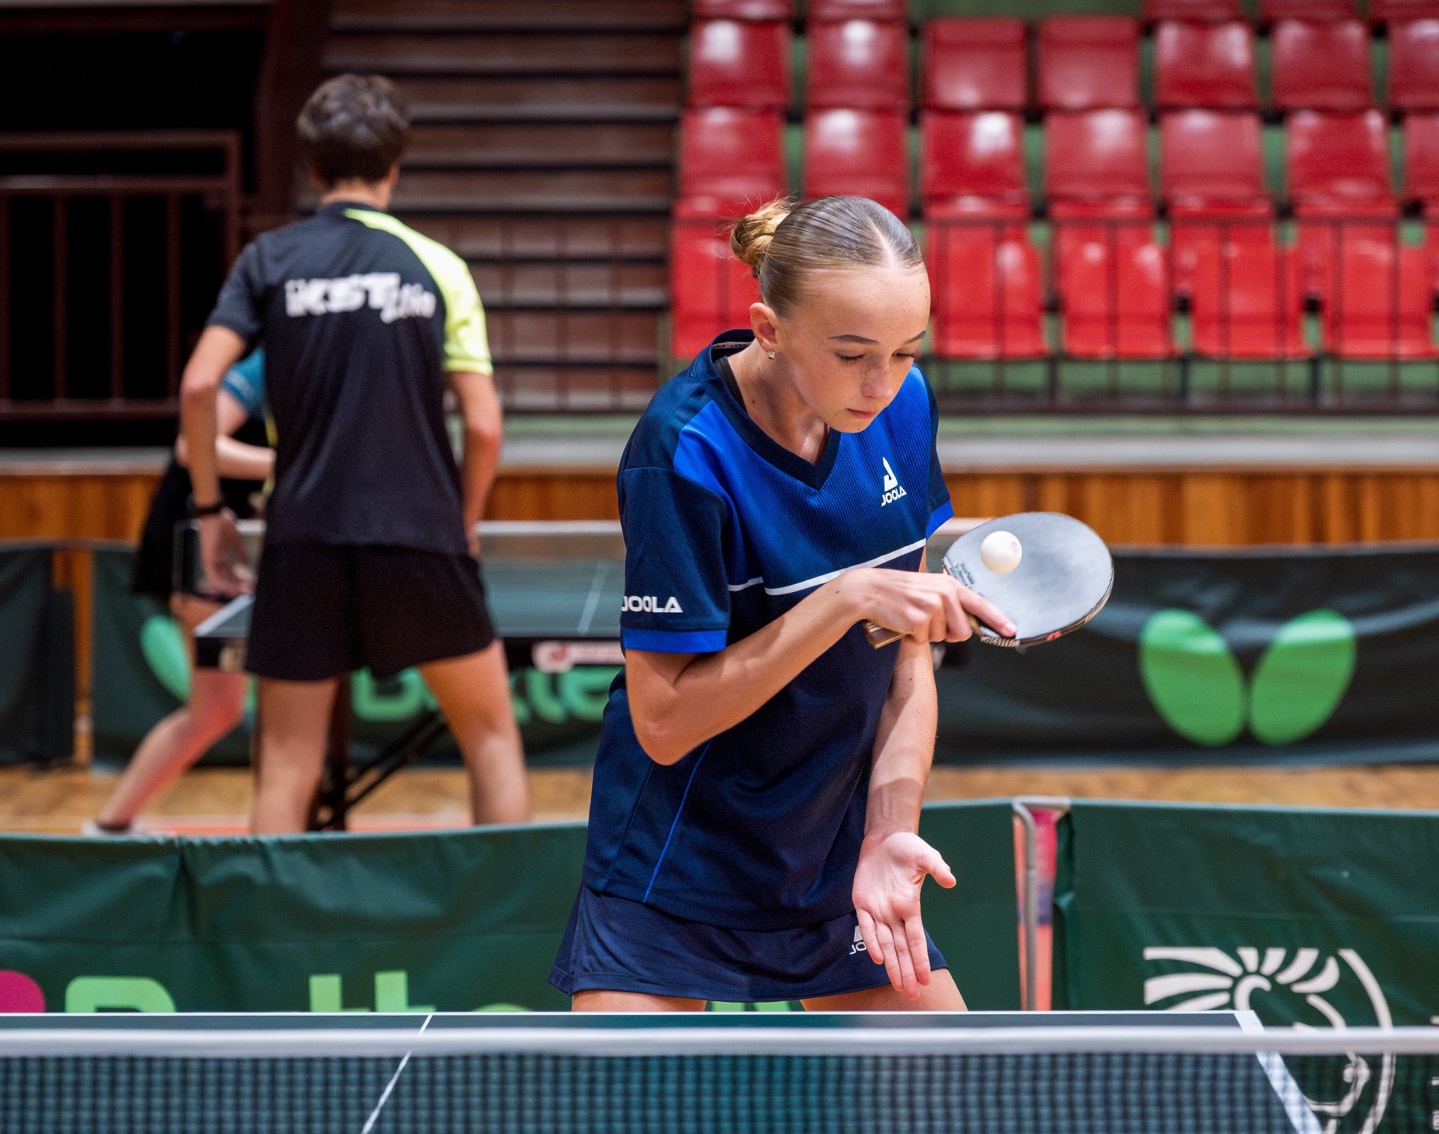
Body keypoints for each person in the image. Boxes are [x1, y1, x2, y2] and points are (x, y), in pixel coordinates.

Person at [552, 196, 1011, 1014]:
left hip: (834, 851)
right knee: (628, 1107)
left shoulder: (903, 407)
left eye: (906, 351)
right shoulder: (686, 450)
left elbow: (906, 660)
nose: (882, 384)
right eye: (852, 354)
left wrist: (888, 829)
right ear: (768, 329)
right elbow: (663, 723)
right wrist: (841, 600)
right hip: (677, 865)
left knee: (958, 1089)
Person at [178, 73, 528, 834]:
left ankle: (273, 914)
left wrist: (209, 512)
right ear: (394, 166)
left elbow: (200, 385)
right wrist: (464, 521)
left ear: (311, 166)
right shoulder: (437, 265)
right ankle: (510, 913)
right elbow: (484, 426)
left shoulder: (269, 259)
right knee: (491, 739)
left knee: (287, 763)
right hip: (420, 532)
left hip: (302, 536)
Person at [87, 350, 274, 836]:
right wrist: (290, 464)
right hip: (197, 543)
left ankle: (111, 825)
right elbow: (195, 446)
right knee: (266, 704)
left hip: (233, 546)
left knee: (217, 711)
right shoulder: (262, 367)